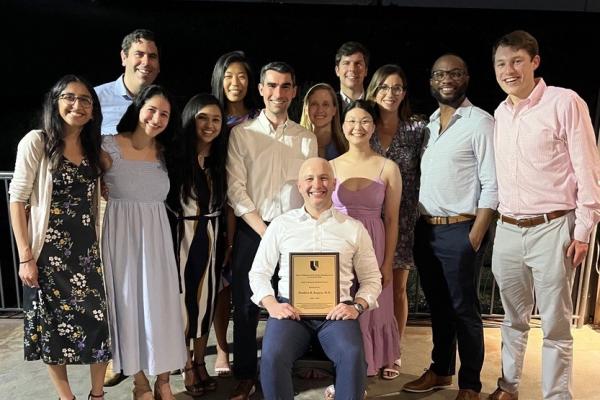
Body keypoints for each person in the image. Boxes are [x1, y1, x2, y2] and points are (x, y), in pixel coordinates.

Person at [489, 30, 600, 400]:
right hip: (507, 228)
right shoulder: (500, 113)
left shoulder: (564, 102)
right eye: (501, 63)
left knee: (554, 324)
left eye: (517, 61)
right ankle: (508, 387)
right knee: (512, 319)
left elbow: (588, 170)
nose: (509, 70)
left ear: (535, 62)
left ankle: (556, 396)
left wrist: (583, 229)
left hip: (553, 227)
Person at [9, 74, 111, 400]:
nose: (77, 105)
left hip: (87, 252)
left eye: (85, 100)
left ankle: (97, 395)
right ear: (56, 102)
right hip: (47, 253)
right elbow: (17, 199)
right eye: (70, 97)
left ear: (93, 111)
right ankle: (66, 397)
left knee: (99, 324)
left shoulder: (94, 149)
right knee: (51, 328)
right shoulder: (37, 142)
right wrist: (25, 255)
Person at [403, 54, 497, 400]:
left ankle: (470, 385)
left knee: (464, 311)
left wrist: (475, 234)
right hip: (427, 230)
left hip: (461, 229)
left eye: (455, 73)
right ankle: (442, 370)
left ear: (466, 78)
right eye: (440, 73)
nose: (447, 79)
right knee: (438, 308)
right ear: (431, 80)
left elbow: (492, 183)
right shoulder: (427, 126)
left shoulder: (479, 122)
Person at [249, 157, 382, 400]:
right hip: (291, 312)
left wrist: (357, 306)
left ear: (333, 184)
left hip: (336, 314)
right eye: (309, 178)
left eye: (323, 178)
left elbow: (372, 278)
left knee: (352, 354)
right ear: (299, 186)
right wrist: (271, 305)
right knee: (272, 355)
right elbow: (258, 272)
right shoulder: (280, 226)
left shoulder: (353, 228)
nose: (316, 184)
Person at [226, 61, 317, 399]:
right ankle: (247, 374)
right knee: (247, 305)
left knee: (295, 300)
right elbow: (236, 189)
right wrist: (265, 230)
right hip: (256, 229)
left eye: (285, 86)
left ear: (293, 91)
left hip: (296, 234)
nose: (278, 93)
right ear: (261, 89)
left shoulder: (305, 138)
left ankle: (284, 368)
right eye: (272, 86)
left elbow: (311, 188)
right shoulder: (242, 134)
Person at [100, 84, 187, 400]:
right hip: (121, 239)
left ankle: (164, 381)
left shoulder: (167, 153)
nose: (157, 117)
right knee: (127, 308)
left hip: (157, 238)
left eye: (165, 113)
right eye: (152, 109)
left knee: (162, 309)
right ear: (137, 109)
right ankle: (139, 383)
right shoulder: (108, 147)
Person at [330, 100, 403, 379]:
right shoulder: (331, 165)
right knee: (343, 300)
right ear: (343, 126)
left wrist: (387, 263)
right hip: (340, 243)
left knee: (375, 303)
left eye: (364, 121)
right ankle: (343, 359)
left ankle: (381, 356)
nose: (357, 127)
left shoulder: (388, 167)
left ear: (373, 127)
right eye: (351, 121)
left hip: (374, 241)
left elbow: (392, 219)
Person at [365, 64, 426, 369]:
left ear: (404, 93)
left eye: (397, 88)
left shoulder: (417, 129)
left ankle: (394, 351)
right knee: (362, 287)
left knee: (397, 289)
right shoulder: (363, 125)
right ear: (373, 90)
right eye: (384, 88)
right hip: (366, 220)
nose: (391, 94)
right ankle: (363, 349)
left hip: (403, 222)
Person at [167, 93, 228, 397]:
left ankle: (201, 361)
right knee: (182, 304)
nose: (209, 125)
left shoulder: (219, 159)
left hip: (212, 238)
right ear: (191, 119)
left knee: (206, 302)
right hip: (182, 238)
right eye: (203, 117)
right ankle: (186, 364)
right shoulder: (174, 159)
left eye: (216, 119)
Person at [210, 50, 259, 377]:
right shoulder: (210, 115)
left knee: (246, 284)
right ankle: (222, 350)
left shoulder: (258, 118)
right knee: (219, 286)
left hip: (247, 210)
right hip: (214, 207)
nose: (235, 83)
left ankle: (247, 348)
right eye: (228, 76)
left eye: (241, 76)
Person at [95, 29, 160, 135]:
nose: (146, 62)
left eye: (152, 56)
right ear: (124, 57)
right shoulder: (96, 99)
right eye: (139, 54)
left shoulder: (165, 106)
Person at [300, 82, 348, 160]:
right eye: (314, 104)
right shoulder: (295, 143)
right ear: (306, 109)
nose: (320, 110)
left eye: (325, 104)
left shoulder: (347, 146)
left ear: (334, 110)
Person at [334, 41, 369, 112]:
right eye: (346, 63)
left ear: (366, 70)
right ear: (337, 70)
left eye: (358, 63)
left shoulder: (376, 105)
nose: (352, 69)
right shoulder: (329, 104)